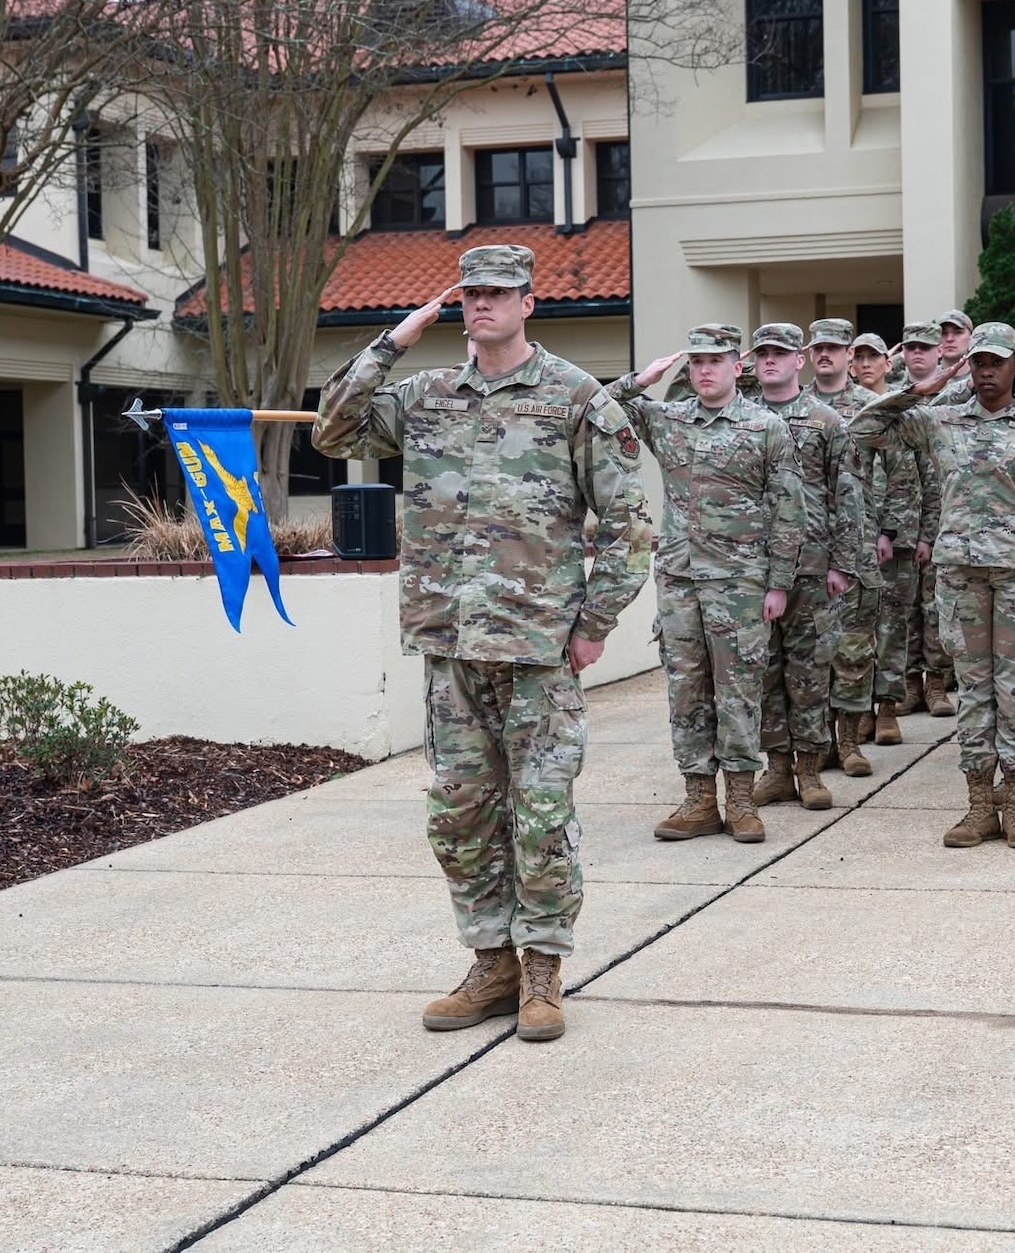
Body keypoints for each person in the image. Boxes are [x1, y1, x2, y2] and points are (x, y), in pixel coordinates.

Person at [312, 244, 653, 1044]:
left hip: (539, 649)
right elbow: (333, 430)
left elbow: (632, 526)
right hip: (451, 643)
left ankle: (543, 970)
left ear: (529, 301)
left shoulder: (576, 398)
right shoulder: (425, 394)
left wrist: (594, 625)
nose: (481, 304)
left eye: (498, 292)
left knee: (539, 814)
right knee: (460, 816)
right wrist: (394, 339)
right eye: (469, 293)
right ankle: (491, 960)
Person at [851, 323, 1015, 850]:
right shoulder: (939, 421)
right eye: (979, 363)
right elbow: (862, 429)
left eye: (997, 363)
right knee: (974, 693)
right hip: (960, 577)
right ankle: (977, 805)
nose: (987, 372)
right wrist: (917, 389)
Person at [610, 325, 804, 845]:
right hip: (679, 579)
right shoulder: (668, 419)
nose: (703, 370)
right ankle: (698, 798)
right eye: (695, 362)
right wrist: (640, 378)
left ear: (736, 366)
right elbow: (601, 410)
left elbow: (789, 511)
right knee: (685, 688)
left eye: (714, 360)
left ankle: (740, 799)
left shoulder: (765, 428)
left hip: (740, 582)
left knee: (738, 689)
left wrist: (779, 583)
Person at [749, 322, 860, 811]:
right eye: (762, 353)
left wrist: (842, 562)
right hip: (753, 567)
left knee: (811, 672)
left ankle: (810, 768)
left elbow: (848, 495)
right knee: (764, 672)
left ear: (801, 360)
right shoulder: (741, 416)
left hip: (814, 566)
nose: (769, 360)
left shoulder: (826, 420)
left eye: (780, 353)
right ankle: (776, 767)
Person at [806, 319, 884, 775]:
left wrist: (890, 532)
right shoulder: (789, 405)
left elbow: (902, 474)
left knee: (854, 648)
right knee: (812, 653)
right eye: (818, 348)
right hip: (809, 548)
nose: (825, 355)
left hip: (858, 543)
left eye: (834, 348)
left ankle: (850, 741)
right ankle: (816, 743)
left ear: (850, 356)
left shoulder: (872, 407)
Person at [851, 332, 924, 746]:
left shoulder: (899, 409)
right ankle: (857, 708)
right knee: (855, 630)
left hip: (891, 538)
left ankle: (888, 707)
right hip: (848, 538)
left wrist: (891, 531)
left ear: (888, 363)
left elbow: (906, 478)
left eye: (872, 358)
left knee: (893, 626)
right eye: (858, 357)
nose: (865, 365)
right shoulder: (838, 407)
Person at [900, 321, 956, 718]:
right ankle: (907, 685)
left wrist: (932, 531)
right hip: (901, 525)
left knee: (937, 609)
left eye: (925, 347)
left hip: (945, 524)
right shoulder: (893, 400)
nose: (917, 354)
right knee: (901, 611)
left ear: (939, 352)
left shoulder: (955, 400)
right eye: (910, 348)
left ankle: (936, 683)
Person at [935, 308, 973, 375]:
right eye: (943, 333)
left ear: (971, 337)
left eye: (958, 332)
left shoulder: (982, 378)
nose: (949, 339)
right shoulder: (926, 379)